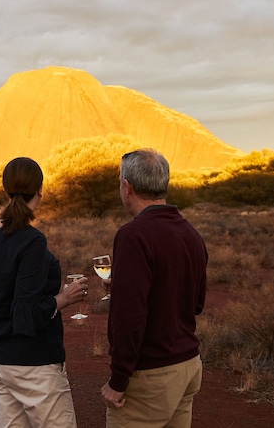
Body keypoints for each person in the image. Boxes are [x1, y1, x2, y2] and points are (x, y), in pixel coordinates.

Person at [0, 157, 89, 428]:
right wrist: (64, 298)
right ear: (41, 189)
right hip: (33, 362)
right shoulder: (31, 241)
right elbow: (25, 310)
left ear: (5, 191)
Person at [100, 149, 208, 428]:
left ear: (128, 187)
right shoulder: (190, 233)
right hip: (188, 366)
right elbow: (194, 302)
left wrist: (118, 379)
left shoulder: (134, 235)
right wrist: (124, 285)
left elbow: (129, 317)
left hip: (151, 375)